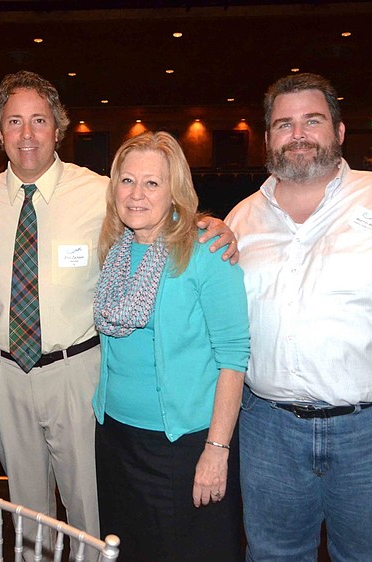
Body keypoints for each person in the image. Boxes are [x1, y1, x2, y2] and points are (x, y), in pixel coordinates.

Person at [0, 71, 238, 556]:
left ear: (59, 127)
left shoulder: (101, 193)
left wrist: (216, 226)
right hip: (6, 374)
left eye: (39, 121)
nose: (27, 135)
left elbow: (162, 208)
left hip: (79, 373)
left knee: (90, 514)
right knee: (25, 515)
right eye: (14, 122)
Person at [225, 73, 372, 561]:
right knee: (272, 555)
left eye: (311, 121)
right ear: (268, 137)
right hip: (267, 431)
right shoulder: (241, 219)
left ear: (338, 132)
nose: (298, 134)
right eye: (283, 124)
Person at [93, 131, 249, 561]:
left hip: (182, 444)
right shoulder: (115, 250)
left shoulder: (206, 252)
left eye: (152, 183)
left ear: (175, 191)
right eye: (127, 181)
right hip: (116, 438)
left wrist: (216, 451)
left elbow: (234, 359)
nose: (136, 194)